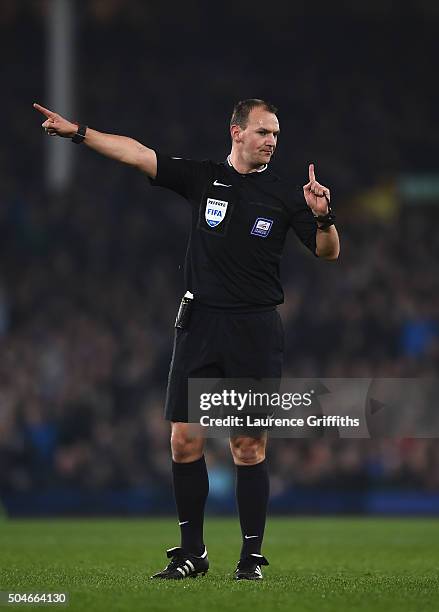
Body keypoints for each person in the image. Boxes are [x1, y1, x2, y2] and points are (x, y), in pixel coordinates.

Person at [33, 98, 340, 580]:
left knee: (248, 444)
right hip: (199, 324)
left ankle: (250, 558)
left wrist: (323, 216)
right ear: (236, 132)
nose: (271, 141)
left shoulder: (287, 195)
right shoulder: (204, 179)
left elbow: (328, 253)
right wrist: (79, 133)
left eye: (276, 135)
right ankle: (192, 553)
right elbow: (137, 154)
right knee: (183, 439)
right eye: (263, 132)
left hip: (254, 328)